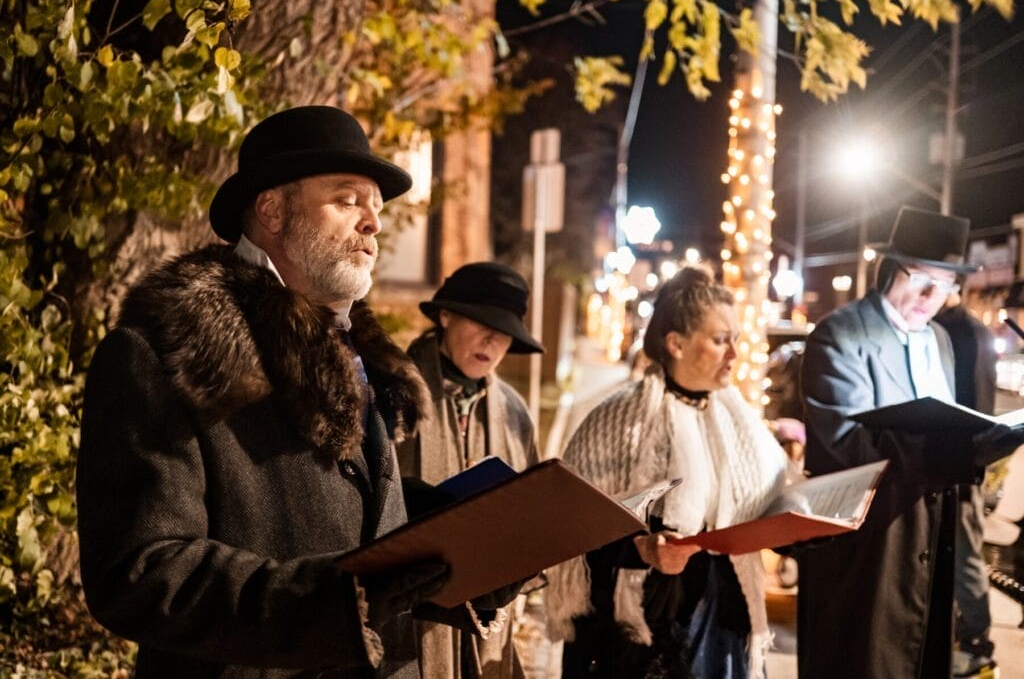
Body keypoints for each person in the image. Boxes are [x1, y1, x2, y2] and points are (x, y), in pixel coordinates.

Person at [76, 106, 517, 677]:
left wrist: (466, 552)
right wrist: (333, 599)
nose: (373, 225)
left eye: (376, 208)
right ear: (272, 208)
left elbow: (340, 509)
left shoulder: (351, 349)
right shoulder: (163, 353)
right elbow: (140, 570)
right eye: (347, 200)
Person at [798, 206, 1024, 678]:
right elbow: (847, 450)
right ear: (888, 268)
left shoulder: (939, 339)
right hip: (868, 558)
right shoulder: (841, 336)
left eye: (943, 286)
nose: (929, 296)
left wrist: (991, 439)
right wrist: (962, 448)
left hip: (930, 548)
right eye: (920, 278)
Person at [545, 265, 790, 678]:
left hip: (722, 619)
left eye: (735, 340)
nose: (734, 354)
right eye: (719, 340)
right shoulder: (617, 421)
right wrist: (641, 547)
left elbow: (772, 500)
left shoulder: (741, 423)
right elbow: (574, 526)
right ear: (675, 343)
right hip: (644, 628)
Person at [396, 261, 544, 678]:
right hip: (411, 617)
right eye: (481, 323)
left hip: (488, 624)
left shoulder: (515, 412)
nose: (493, 341)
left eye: (506, 333)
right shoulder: (392, 391)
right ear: (445, 316)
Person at [935, 291, 1000, 678]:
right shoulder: (952, 325)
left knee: (964, 558)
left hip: (961, 467)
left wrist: (970, 465)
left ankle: (978, 646)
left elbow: (978, 407)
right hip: (949, 464)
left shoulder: (966, 331)